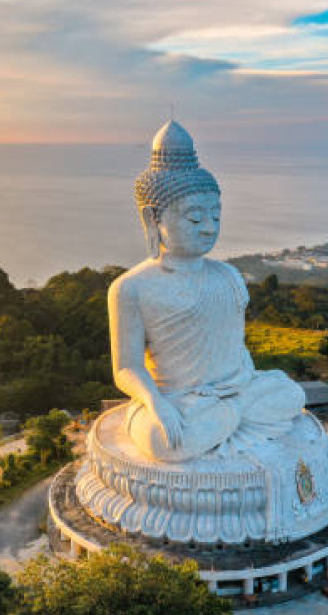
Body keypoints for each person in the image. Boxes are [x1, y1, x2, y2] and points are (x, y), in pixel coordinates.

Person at [109, 121, 304, 462]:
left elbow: (237, 350)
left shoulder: (228, 275)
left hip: (236, 392)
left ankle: (228, 416)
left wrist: (240, 389)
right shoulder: (131, 287)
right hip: (178, 401)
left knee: (291, 393)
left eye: (216, 215)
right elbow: (126, 369)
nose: (210, 228)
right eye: (195, 219)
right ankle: (224, 419)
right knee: (162, 440)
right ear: (152, 218)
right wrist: (157, 404)